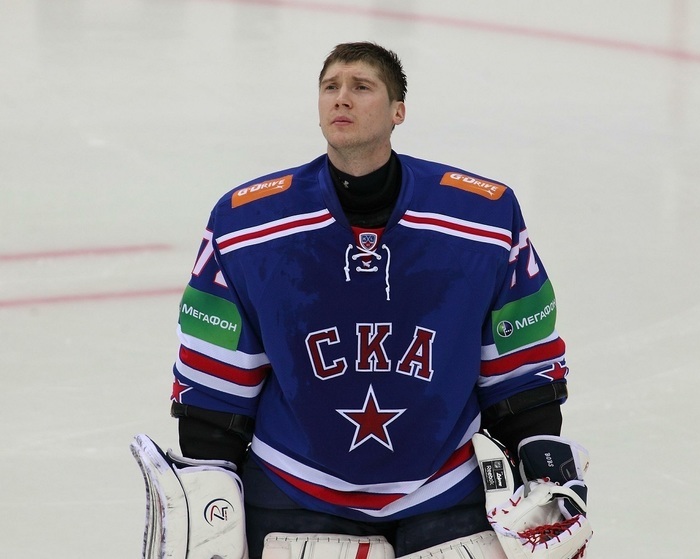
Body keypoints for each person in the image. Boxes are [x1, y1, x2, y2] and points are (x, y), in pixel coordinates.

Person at [170, 42, 573, 558]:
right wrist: (210, 491)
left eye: (361, 87)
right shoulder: (247, 225)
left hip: (447, 487)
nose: (342, 98)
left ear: (398, 111)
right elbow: (216, 376)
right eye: (330, 87)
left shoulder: (483, 219)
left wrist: (543, 468)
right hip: (295, 487)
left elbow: (520, 365)